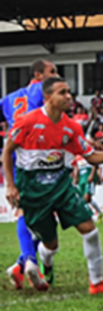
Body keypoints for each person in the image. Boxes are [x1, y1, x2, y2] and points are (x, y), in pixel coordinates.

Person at [2, 76, 103, 295]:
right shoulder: (28, 121)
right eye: (62, 92)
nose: (68, 97)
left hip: (62, 187)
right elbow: (7, 151)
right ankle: (44, 263)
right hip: (33, 192)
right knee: (51, 245)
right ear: (47, 97)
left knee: (90, 230)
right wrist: (10, 185)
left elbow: (90, 155)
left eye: (69, 92)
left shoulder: (71, 127)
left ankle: (97, 283)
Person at [2, 59, 58, 290]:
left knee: (32, 211)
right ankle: (30, 261)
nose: (56, 76)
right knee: (40, 212)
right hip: (37, 156)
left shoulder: (7, 99)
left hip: (16, 154)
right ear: (38, 75)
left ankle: (20, 264)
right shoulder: (43, 91)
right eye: (52, 72)